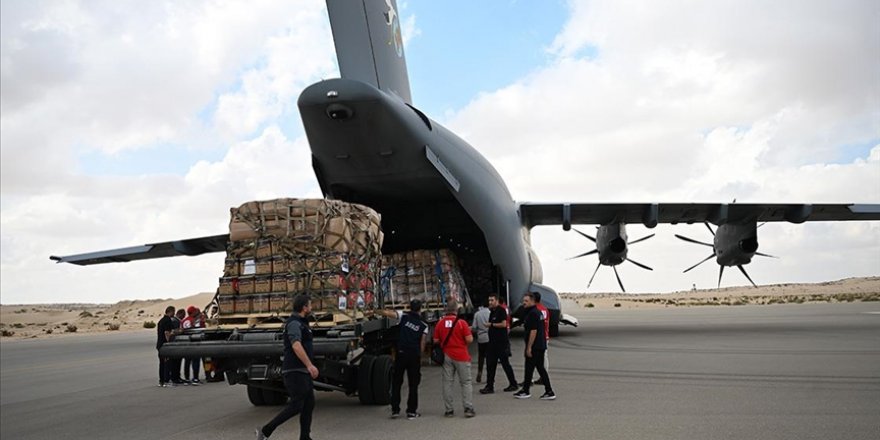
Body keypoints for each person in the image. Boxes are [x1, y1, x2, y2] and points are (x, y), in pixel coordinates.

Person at [257, 294, 318, 440]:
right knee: (297, 405)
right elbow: (296, 345)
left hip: (302, 371)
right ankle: (266, 431)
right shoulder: (294, 324)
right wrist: (309, 365)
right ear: (304, 307)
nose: (311, 307)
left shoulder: (302, 322)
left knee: (309, 404)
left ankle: (305, 437)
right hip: (295, 370)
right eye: (310, 304)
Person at [374, 299, 429, 419]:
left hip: (401, 353)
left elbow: (389, 314)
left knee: (397, 382)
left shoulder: (403, 316)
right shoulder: (424, 326)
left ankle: (395, 410)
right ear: (420, 309)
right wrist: (420, 357)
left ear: (410, 307)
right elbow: (422, 343)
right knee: (413, 385)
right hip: (413, 356)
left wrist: (376, 310)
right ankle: (411, 411)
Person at [433, 301, 475, 418]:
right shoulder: (462, 323)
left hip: (447, 355)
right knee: (465, 383)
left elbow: (436, 341)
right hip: (461, 356)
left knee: (447, 383)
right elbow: (469, 339)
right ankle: (468, 408)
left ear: (446, 310)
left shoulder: (440, 323)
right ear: (457, 310)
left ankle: (449, 410)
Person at [514, 292, 555, 400]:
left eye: (526, 301)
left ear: (533, 301)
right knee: (537, 368)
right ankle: (545, 390)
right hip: (540, 344)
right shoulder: (537, 312)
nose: (524, 303)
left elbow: (533, 331)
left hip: (536, 346)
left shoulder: (533, 313)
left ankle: (529, 390)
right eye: (523, 301)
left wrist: (529, 347)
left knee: (531, 368)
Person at [479, 294, 518, 394]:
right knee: (490, 364)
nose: (490, 302)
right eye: (489, 300)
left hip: (501, 343)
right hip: (492, 343)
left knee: (505, 364)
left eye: (492, 300)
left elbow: (504, 324)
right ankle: (489, 386)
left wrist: (491, 325)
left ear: (496, 301)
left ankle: (513, 383)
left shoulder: (501, 311)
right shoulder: (492, 312)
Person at [181, 305, 202, 385]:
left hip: (185, 343)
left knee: (187, 361)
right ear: (193, 312)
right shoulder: (195, 320)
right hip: (194, 343)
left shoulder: (183, 321)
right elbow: (198, 331)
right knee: (196, 361)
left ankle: (187, 378)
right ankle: (195, 378)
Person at [533, 292, 551, 386]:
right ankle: (544, 376)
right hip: (545, 336)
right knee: (544, 357)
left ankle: (530, 378)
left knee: (532, 357)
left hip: (538, 337)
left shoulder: (535, 310)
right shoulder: (545, 309)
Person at [156, 306, 176, 387]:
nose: (174, 313)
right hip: (165, 345)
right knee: (166, 363)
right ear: (170, 311)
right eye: (174, 312)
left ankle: (161, 381)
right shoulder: (168, 320)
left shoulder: (161, 321)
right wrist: (169, 343)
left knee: (162, 364)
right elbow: (167, 333)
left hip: (159, 345)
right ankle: (166, 381)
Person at [471, 302, 490, 383]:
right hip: (489, 337)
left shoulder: (477, 314)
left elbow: (474, 327)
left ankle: (480, 372)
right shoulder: (490, 313)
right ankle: (489, 375)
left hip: (481, 338)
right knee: (489, 358)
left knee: (481, 357)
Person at [170, 308, 186, 385]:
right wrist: (181, 331)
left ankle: (175, 377)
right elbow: (174, 331)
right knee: (176, 362)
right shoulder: (176, 321)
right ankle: (175, 378)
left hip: (173, 344)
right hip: (175, 343)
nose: (184, 316)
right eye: (183, 314)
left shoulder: (173, 320)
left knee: (175, 362)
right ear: (180, 314)